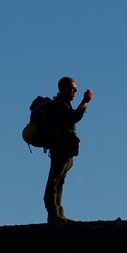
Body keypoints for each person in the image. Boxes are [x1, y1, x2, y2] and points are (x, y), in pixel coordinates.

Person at [43, 76, 92, 224]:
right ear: (63, 89)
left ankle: (58, 214)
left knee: (60, 181)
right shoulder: (58, 105)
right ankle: (53, 214)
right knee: (55, 180)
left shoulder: (63, 104)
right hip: (60, 149)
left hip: (65, 150)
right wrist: (85, 102)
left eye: (75, 88)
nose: (75, 91)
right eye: (72, 88)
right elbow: (74, 117)